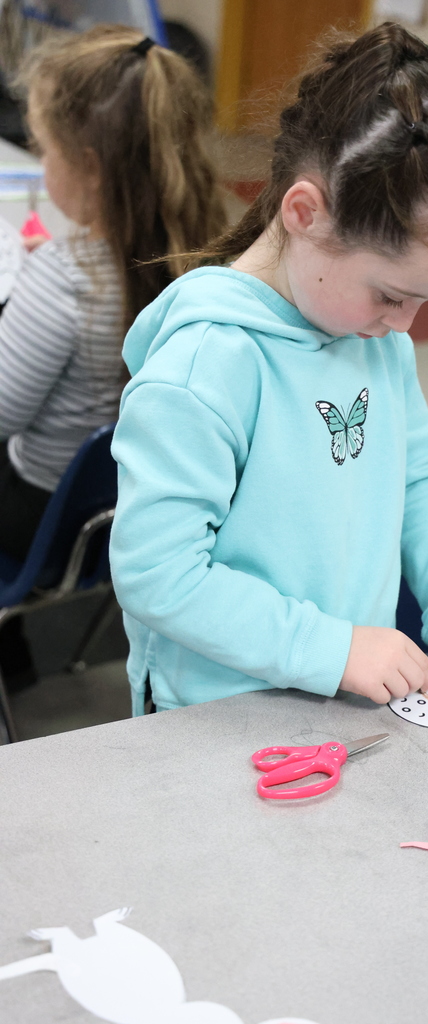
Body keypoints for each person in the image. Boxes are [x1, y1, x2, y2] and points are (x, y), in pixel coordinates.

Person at [110, 22, 428, 718]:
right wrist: (331, 648)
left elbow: (418, 482)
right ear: (303, 212)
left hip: (339, 693)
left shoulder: (371, 334)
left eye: (424, 301)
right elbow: (158, 575)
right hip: (219, 709)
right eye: (391, 293)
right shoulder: (206, 365)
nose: (405, 325)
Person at [0, 26, 229, 691]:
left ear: (90, 168)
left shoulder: (67, 278)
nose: (41, 167)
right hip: (140, 506)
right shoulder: (206, 249)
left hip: (42, 515)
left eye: (45, 150)